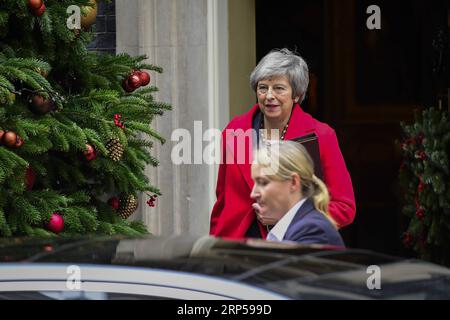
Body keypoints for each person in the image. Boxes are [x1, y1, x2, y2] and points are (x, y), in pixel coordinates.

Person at [210, 48, 355, 239]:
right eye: (263, 88)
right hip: (235, 246)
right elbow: (222, 198)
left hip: (292, 245)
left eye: (279, 88)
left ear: (297, 94)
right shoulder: (235, 130)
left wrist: (287, 217)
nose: (269, 95)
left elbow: (344, 207)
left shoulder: (321, 135)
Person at [251, 141, 344, 246]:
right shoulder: (299, 227)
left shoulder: (312, 230)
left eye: (263, 182)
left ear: (294, 182)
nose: (253, 194)